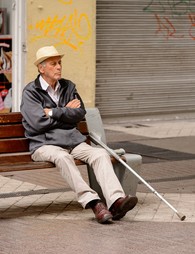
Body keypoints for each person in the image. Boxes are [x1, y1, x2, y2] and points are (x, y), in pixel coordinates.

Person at [20, 45, 138, 224]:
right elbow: (37, 124)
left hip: (72, 141)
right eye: (53, 63)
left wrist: (53, 112)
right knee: (62, 157)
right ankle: (94, 202)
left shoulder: (68, 86)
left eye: (60, 62)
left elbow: (79, 114)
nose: (59, 66)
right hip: (44, 144)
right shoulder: (31, 92)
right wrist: (66, 113)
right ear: (41, 68)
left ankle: (115, 201)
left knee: (99, 154)